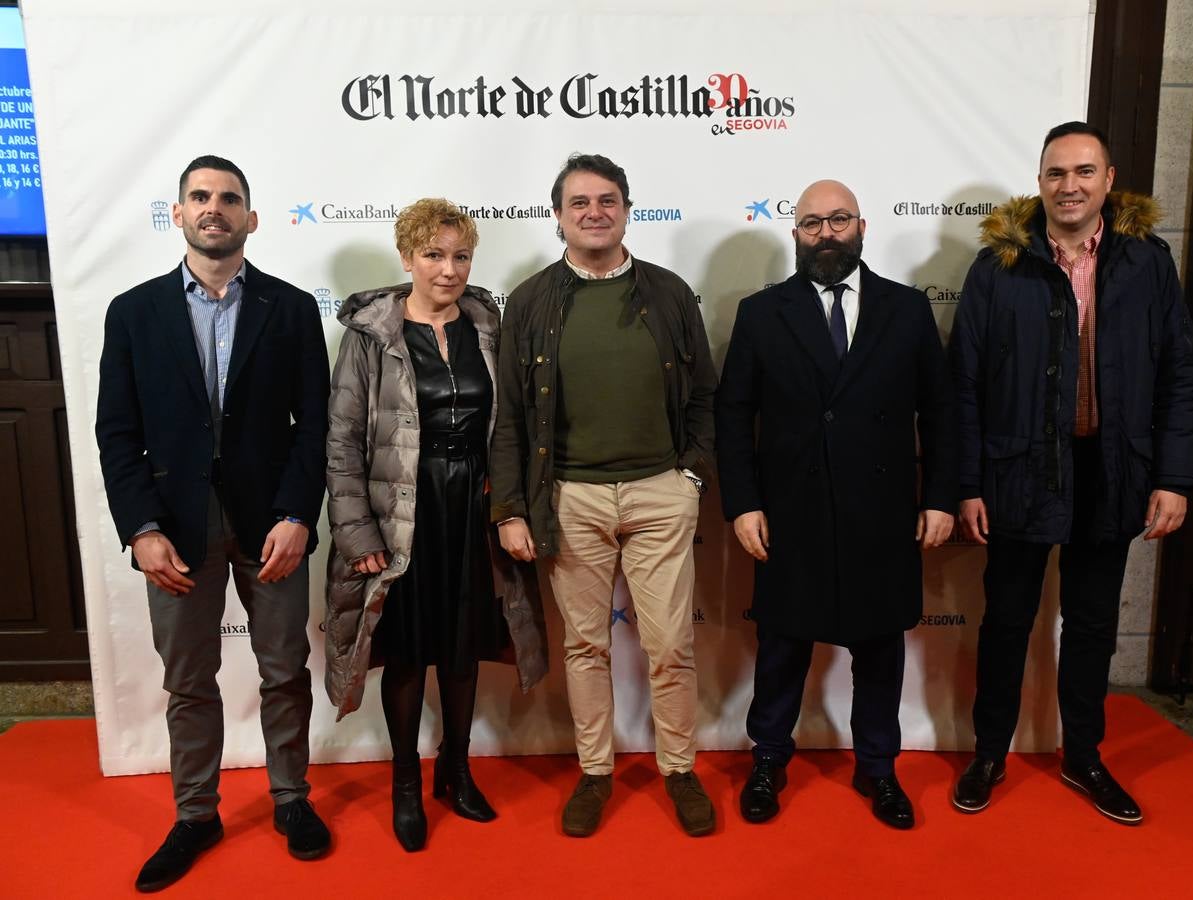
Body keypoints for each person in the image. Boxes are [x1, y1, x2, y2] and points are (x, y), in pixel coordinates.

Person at [948, 122, 1193, 824]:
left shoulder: (1147, 264)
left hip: (1112, 471)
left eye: (1084, 172)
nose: (1070, 186)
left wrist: (1173, 478)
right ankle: (988, 753)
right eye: (1057, 173)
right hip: (1017, 472)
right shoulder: (996, 267)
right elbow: (963, 384)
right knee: (1006, 621)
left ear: (1108, 181)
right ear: (1039, 182)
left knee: (1090, 626)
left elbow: (1179, 374)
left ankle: (1083, 757)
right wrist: (965, 484)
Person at [95, 155, 331, 892]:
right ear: (179, 214)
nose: (214, 208)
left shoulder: (290, 309)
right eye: (200, 197)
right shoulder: (133, 312)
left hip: (271, 525)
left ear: (250, 218)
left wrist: (298, 514)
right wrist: (141, 528)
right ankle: (196, 814)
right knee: (189, 681)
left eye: (229, 198)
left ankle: (291, 800)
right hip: (173, 528)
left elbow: (314, 428)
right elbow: (116, 433)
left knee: (285, 670)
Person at [716, 179, 957, 830]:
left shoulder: (906, 310)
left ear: (861, 227)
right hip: (788, 512)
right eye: (812, 223)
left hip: (881, 512)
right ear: (794, 234)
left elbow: (938, 413)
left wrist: (938, 497)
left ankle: (878, 768)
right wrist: (741, 503)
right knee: (781, 649)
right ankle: (767, 760)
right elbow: (733, 416)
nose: (826, 233)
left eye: (838, 219)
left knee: (879, 651)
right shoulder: (760, 313)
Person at [489, 153, 718, 837]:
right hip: (568, 498)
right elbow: (510, 419)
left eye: (608, 199)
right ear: (557, 215)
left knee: (671, 643)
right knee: (584, 647)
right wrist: (509, 508)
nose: (595, 212)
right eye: (580, 202)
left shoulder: (669, 294)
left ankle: (678, 768)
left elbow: (705, 394)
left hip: (659, 493)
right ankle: (595, 770)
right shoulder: (529, 301)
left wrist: (691, 477)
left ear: (626, 209)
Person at [323, 198, 548, 852]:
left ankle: (455, 768)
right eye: (433, 255)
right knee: (407, 650)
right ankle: (403, 784)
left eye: (460, 257)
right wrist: (356, 532)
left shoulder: (486, 323)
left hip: (472, 511)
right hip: (402, 513)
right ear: (406, 258)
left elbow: (509, 428)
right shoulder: (370, 334)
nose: (447, 270)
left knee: (460, 646)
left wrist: (509, 506)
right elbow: (342, 442)